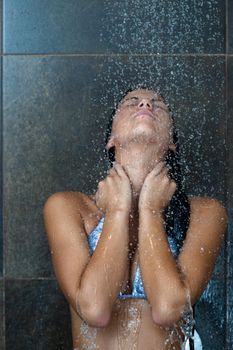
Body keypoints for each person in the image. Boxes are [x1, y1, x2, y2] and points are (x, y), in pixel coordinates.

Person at [43, 88, 228, 350]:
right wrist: (118, 209)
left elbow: (168, 309)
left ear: (172, 142)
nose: (145, 104)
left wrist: (151, 210)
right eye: (132, 102)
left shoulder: (204, 213)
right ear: (110, 139)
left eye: (158, 105)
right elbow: (94, 309)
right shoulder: (68, 207)